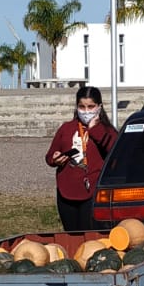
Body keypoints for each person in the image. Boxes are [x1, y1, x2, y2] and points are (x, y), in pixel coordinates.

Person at [44, 85, 118, 231]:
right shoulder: (66, 128)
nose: (86, 111)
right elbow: (50, 155)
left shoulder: (107, 130)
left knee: (89, 234)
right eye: (82, 107)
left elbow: (113, 150)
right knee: (71, 234)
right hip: (66, 190)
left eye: (91, 107)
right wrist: (55, 159)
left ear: (99, 107)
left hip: (93, 191)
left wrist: (94, 129)